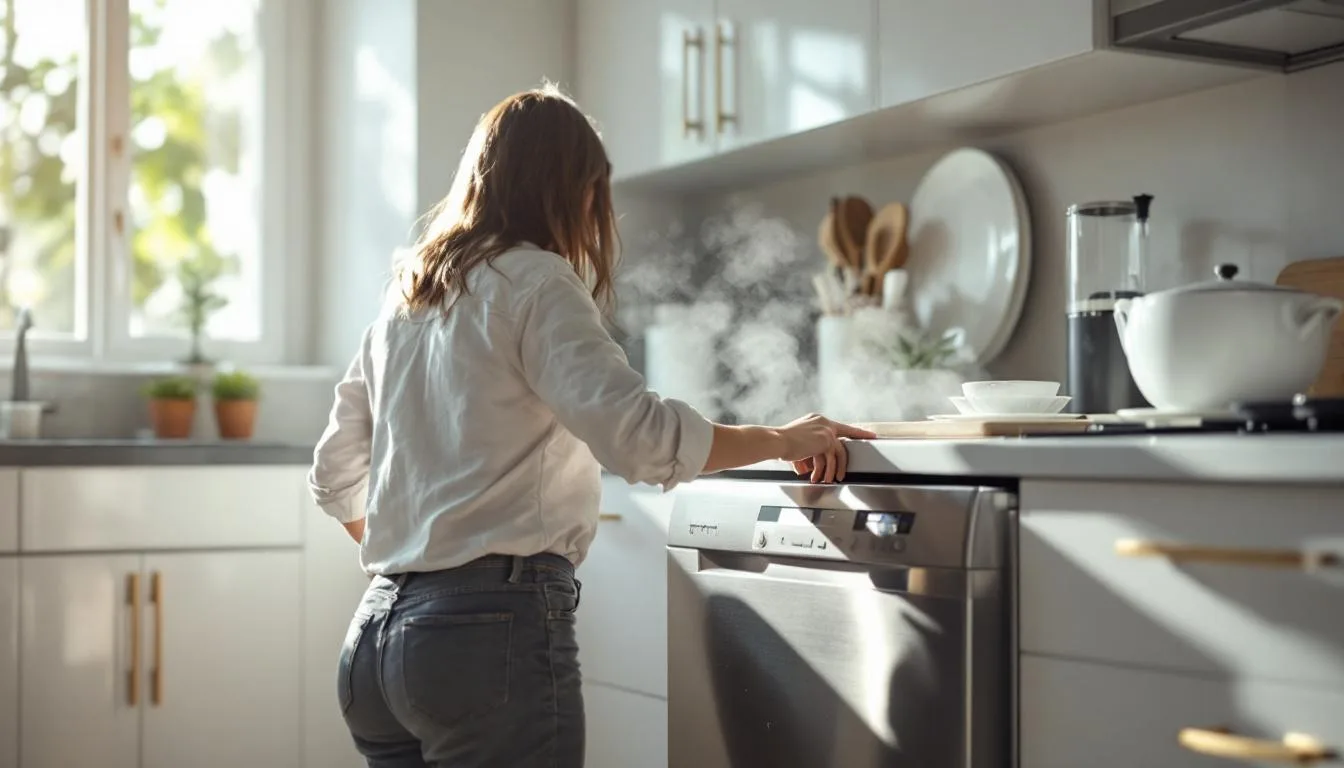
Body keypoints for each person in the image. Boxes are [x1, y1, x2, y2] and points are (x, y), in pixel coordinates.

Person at [308, 84, 875, 768]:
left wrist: (419, 565)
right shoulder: (538, 282)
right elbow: (639, 438)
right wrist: (783, 440)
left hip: (375, 641)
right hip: (485, 641)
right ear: (573, 191)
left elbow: (334, 478)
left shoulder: (405, 302)